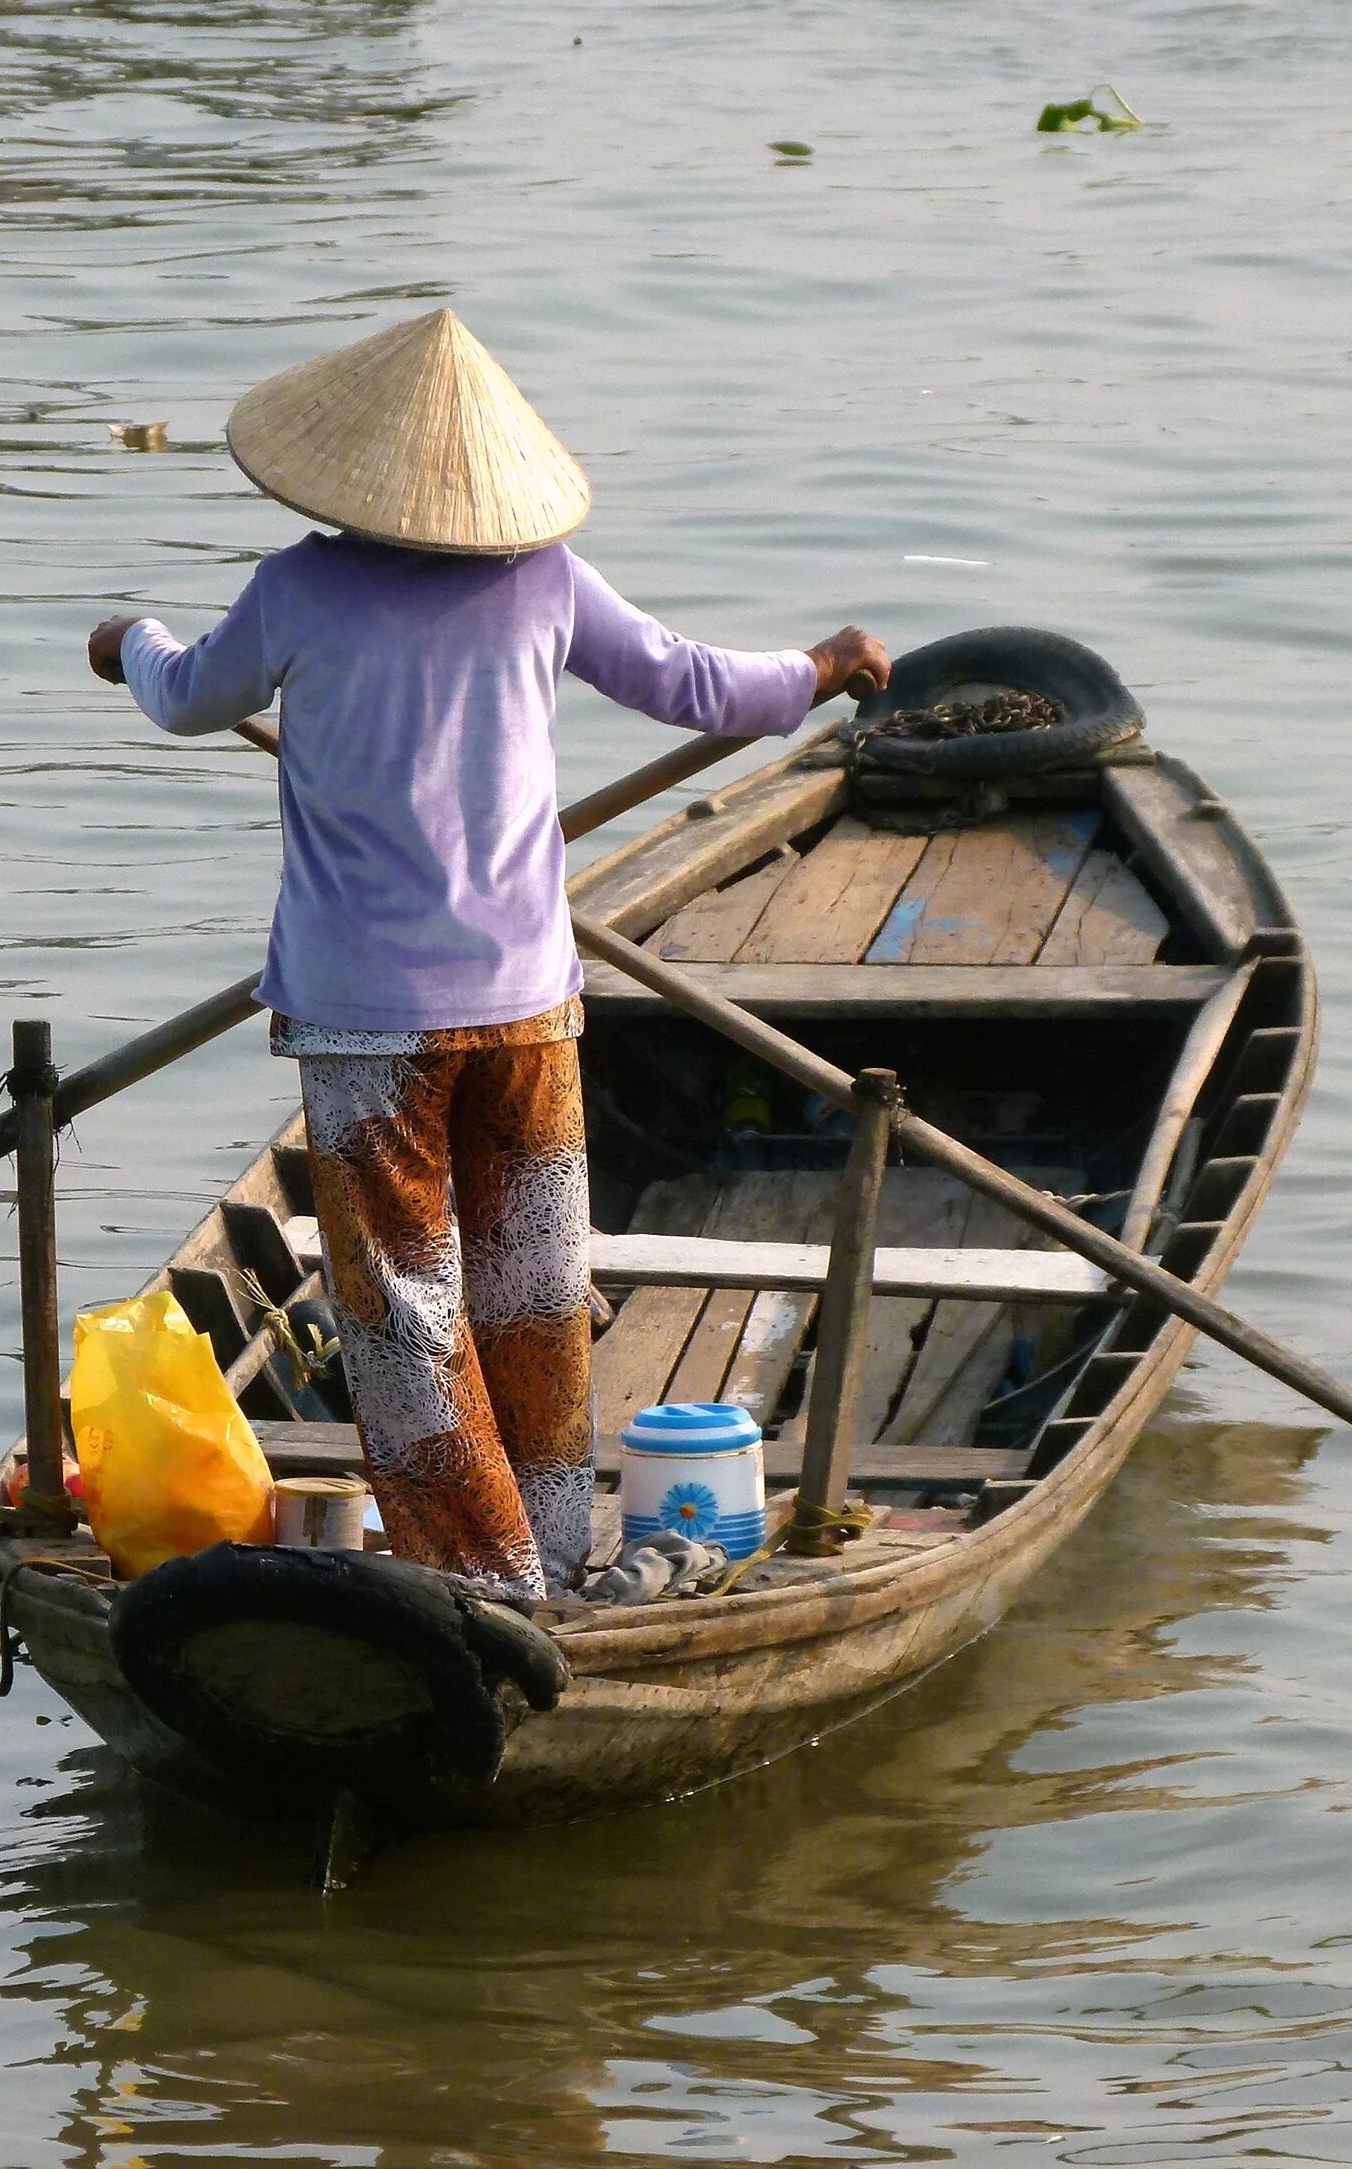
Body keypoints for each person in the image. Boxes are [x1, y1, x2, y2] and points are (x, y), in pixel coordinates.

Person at [89, 309, 886, 1601]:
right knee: (533, 1289)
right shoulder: (546, 579)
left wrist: (129, 641)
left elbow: (189, 700)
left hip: (367, 1023)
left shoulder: (301, 584)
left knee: (408, 1311)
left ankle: (489, 1583)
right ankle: (558, 1557)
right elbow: (692, 684)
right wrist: (821, 667)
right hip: (526, 1009)